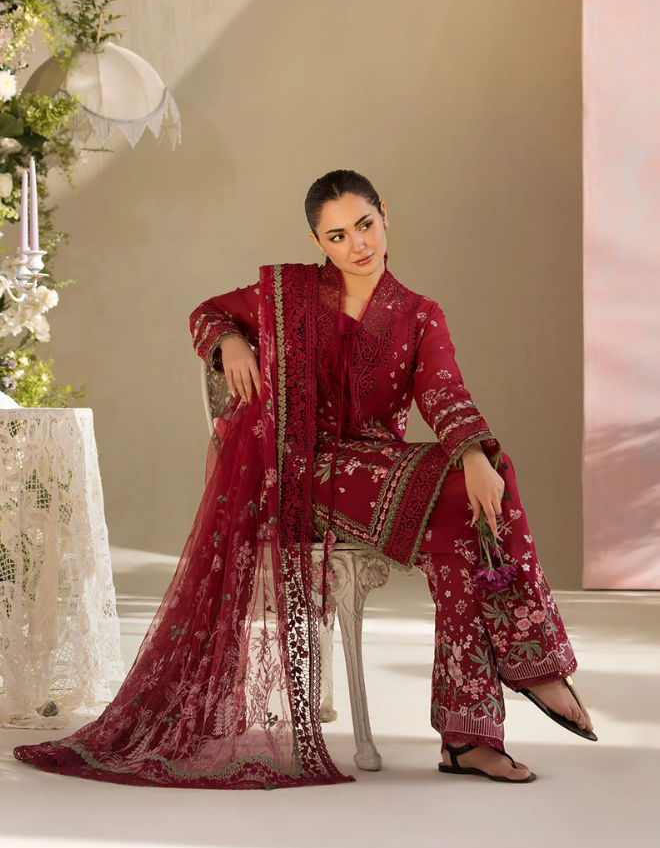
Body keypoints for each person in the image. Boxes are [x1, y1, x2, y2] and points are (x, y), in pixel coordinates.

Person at [14, 169, 595, 789]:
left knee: (471, 508)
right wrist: (231, 342)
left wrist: (473, 454)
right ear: (319, 242)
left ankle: (470, 738)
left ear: (384, 214)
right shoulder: (288, 296)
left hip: (376, 469)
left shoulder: (420, 316)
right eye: (338, 236)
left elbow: (444, 392)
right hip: (296, 473)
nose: (358, 245)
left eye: (365, 225)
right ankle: (514, 685)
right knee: (462, 506)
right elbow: (206, 313)